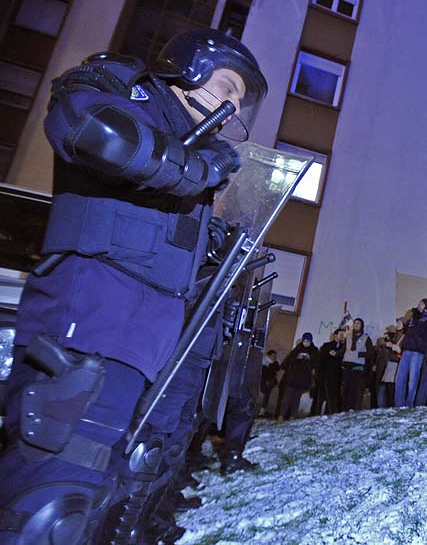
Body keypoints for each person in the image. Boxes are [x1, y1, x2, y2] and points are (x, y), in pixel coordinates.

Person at [0, 28, 267, 544]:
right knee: (52, 504)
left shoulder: (203, 164)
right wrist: (192, 167)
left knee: (108, 496)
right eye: (226, 87)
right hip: (88, 330)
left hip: (148, 347)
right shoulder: (126, 88)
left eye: (240, 100)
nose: (232, 105)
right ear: (188, 68)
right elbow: (93, 131)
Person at [395, 299, 427, 407]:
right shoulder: (412, 318)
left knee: (412, 380)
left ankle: (409, 404)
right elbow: (407, 331)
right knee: (400, 378)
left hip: (417, 352)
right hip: (407, 350)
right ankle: (399, 404)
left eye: (422, 304)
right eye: (419, 303)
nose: (418, 305)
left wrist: (422, 315)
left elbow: (420, 330)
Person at [279, 333, 318, 420]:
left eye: (308, 341)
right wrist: (297, 357)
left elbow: (316, 363)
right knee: (286, 399)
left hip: (303, 380)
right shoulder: (297, 349)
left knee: (296, 399)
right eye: (304, 341)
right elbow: (288, 361)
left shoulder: (314, 351)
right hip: (292, 378)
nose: (306, 343)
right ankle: (281, 416)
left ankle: (292, 416)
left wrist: (309, 359)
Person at [341, 318, 372, 410]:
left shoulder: (366, 338)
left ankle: (353, 408)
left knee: (354, 389)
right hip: (346, 365)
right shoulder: (348, 336)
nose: (356, 325)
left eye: (358, 323)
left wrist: (359, 354)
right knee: (345, 388)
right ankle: (344, 408)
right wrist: (336, 353)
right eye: (355, 323)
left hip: (358, 366)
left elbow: (370, 352)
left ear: (362, 326)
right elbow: (344, 349)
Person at [318, 329, 345, 414]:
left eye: (343, 335)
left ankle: (328, 413)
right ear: (335, 335)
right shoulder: (327, 346)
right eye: (340, 334)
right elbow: (321, 360)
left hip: (337, 376)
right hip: (326, 374)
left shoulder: (344, 348)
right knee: (321, 396)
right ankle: (316, 413)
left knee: (333, 397)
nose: (342, 336)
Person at [259, 350, 280, 416]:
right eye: (273, 356)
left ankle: (262, 409)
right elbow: (264, 372)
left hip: (271, 381)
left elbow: (277, 369)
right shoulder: (264, 362)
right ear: (269, 355)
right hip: (263, 380)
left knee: (267, 394)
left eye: (275, 356)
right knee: (263, 392)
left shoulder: (276, 363)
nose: (274, 357)